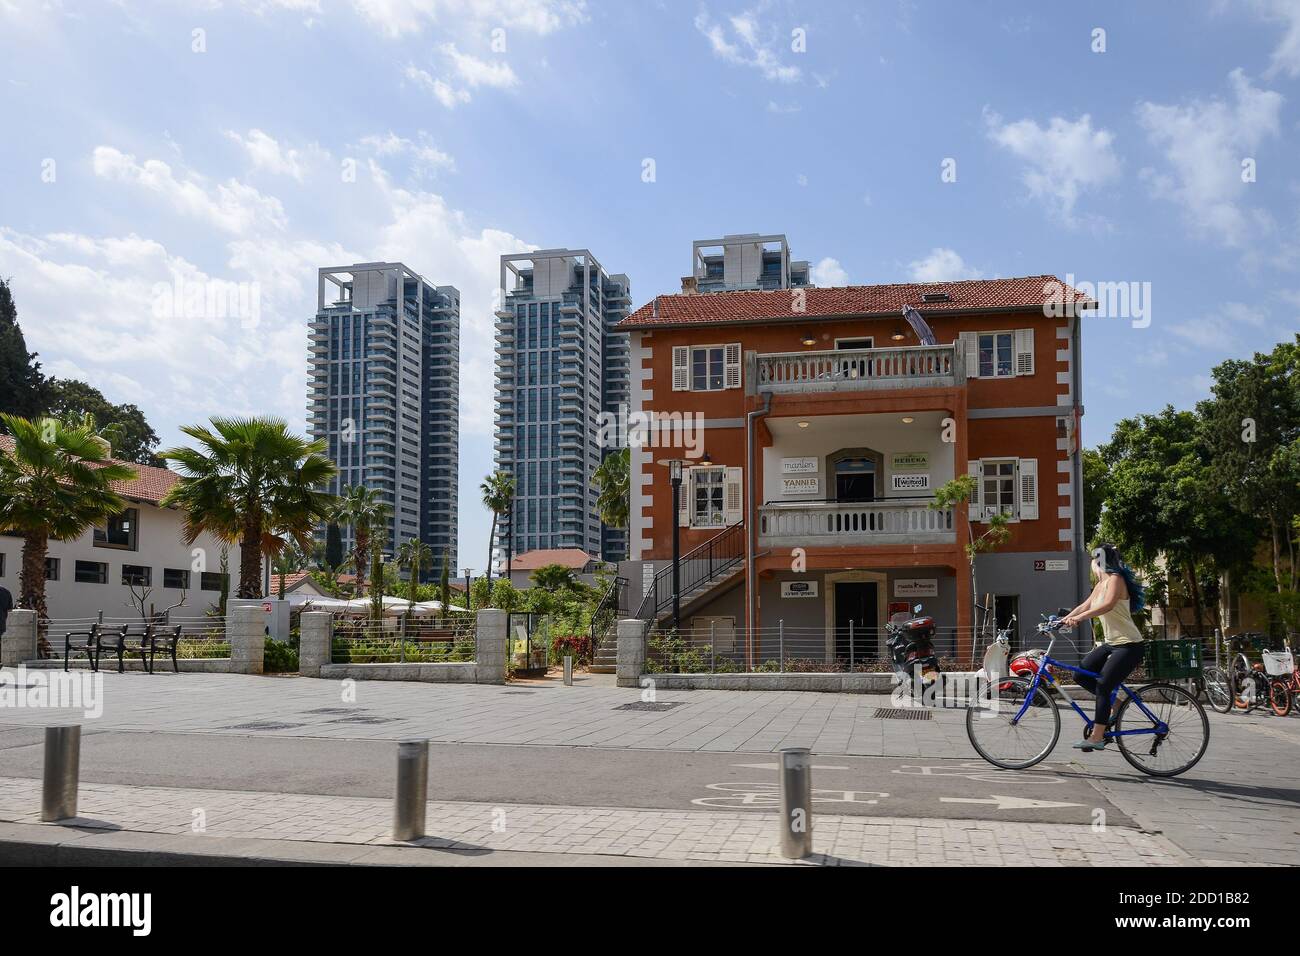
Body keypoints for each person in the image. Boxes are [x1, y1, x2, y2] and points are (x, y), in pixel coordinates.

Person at [1060, 544, 1146, 751]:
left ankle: (1097, 737)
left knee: (1103, 686)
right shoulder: (1100, 584)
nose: (1091, 564)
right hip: (1111, 644)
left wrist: (1079, 618)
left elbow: (1106, 605)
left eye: (1093, 559)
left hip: (1129, 644)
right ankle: (1116, 704)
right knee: (1081, 675)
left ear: (1099, 561)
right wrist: (1063, 619)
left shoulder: (1116, 580)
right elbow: (1086, 605)